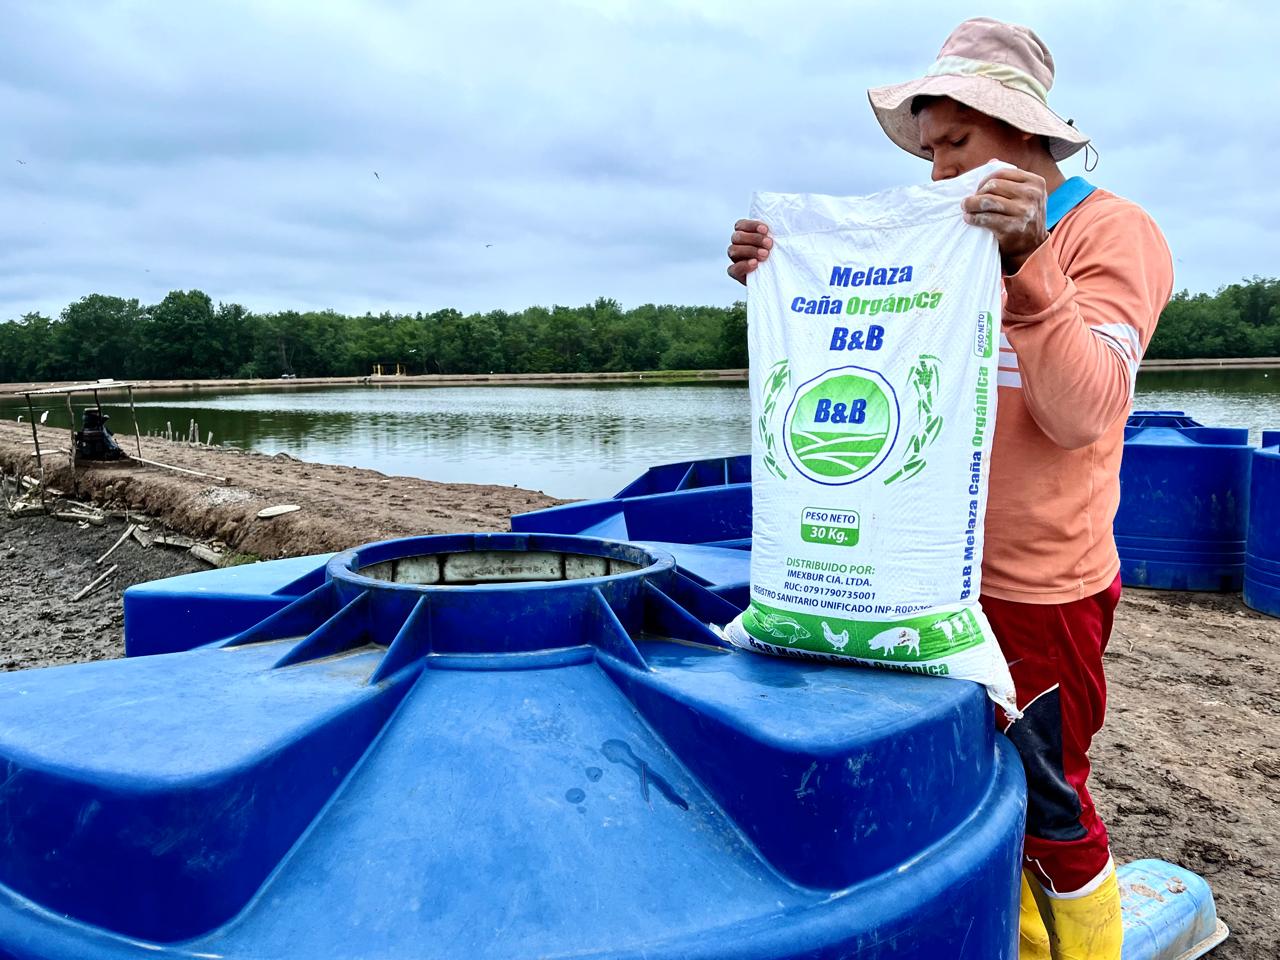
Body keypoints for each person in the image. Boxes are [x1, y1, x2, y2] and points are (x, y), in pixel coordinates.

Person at [725, 17, 1173, 960]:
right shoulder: (946, 234)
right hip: (924, 576)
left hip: (1039, 587)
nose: (938, 175)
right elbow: (872, 355)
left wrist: (1028, 263)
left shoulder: (1112, 233)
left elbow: (1084, 413)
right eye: (931, 153)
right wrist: (784, 277)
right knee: (964, 785)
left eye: (956, 146)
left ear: (1020, 131)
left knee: (1052, 800)